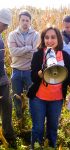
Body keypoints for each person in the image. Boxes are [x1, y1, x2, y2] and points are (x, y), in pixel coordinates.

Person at [27, 26, 70, 149]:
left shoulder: (64, 55)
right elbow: (33, 77)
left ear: (58, 39)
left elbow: (68, 73)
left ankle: (51, 146)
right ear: (43, 40)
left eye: (53, 37)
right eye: (46, 37)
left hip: (56, 98)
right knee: (38, 127)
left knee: (53, 127)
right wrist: (40, 73)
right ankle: (36, 147)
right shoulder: (38, 54)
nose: (50, 40)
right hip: (38, 98)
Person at [8, 10, 40, 121]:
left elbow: (34, 54)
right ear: (19, 21)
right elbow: (13, 52)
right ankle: (19, 117)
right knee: (16, 96)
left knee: (33, 95)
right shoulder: (12, 35)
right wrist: (28, 48)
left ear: (30, 22)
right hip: (16, 70)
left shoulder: (36, 35)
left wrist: (20, 51)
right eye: (23, 20)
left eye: (27, 20)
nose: (25, 22)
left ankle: (33, 117)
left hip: (29, 70)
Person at [0, 8, 16, 148]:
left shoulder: (0, 36)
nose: (5, 28)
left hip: (2, 76)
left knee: (7, 103)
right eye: (4, 25)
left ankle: (8, 134)